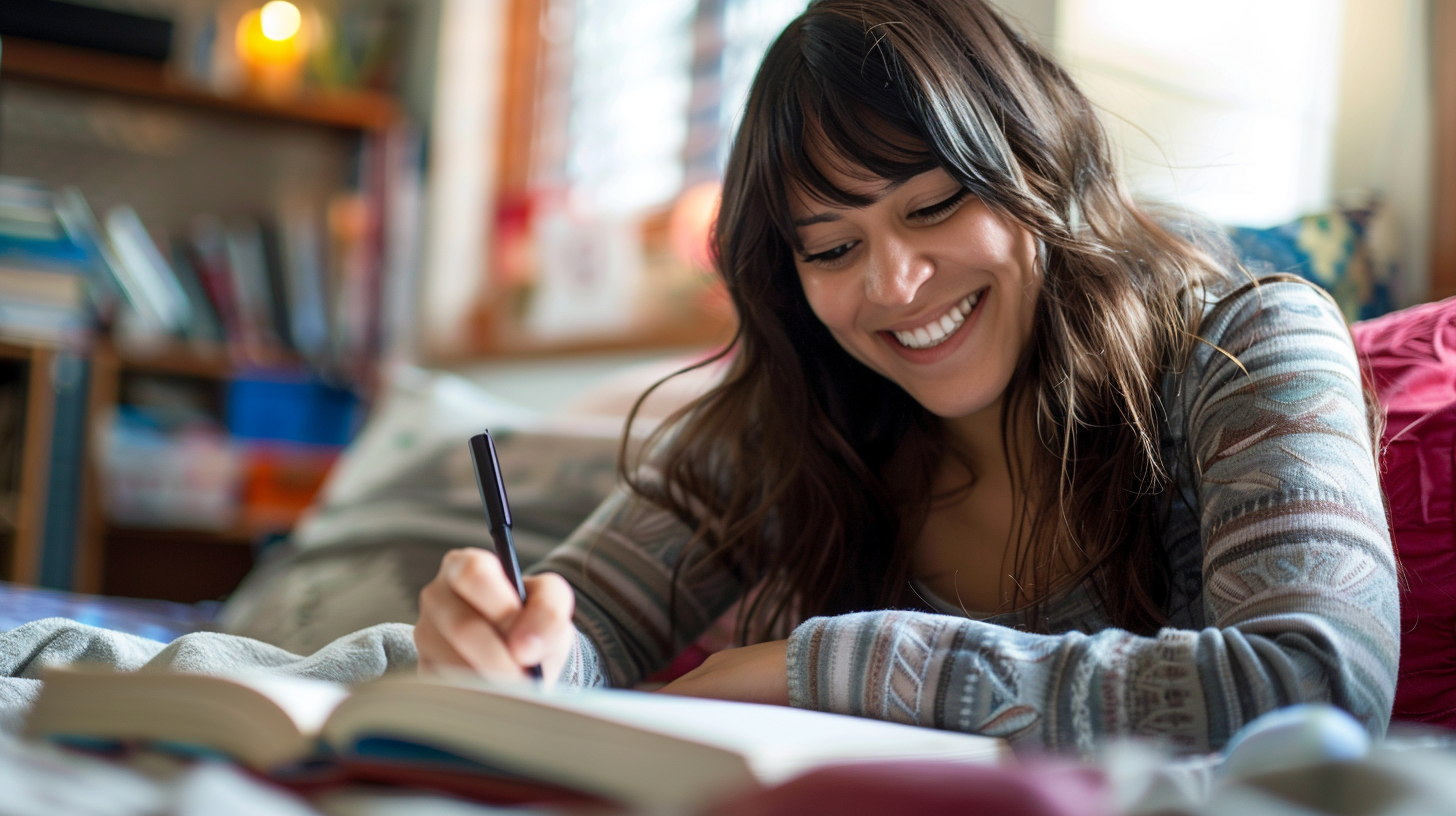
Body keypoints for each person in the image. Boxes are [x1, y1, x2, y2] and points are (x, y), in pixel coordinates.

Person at [413, 0, 1399, 753]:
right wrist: (516, 649)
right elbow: (585, 640)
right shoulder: (792, 420)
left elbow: (1315, 683)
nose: (893, 283)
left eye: (931, 208)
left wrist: (809, 670)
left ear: (1039, 169)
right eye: (832, 250)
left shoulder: (1252, 340)